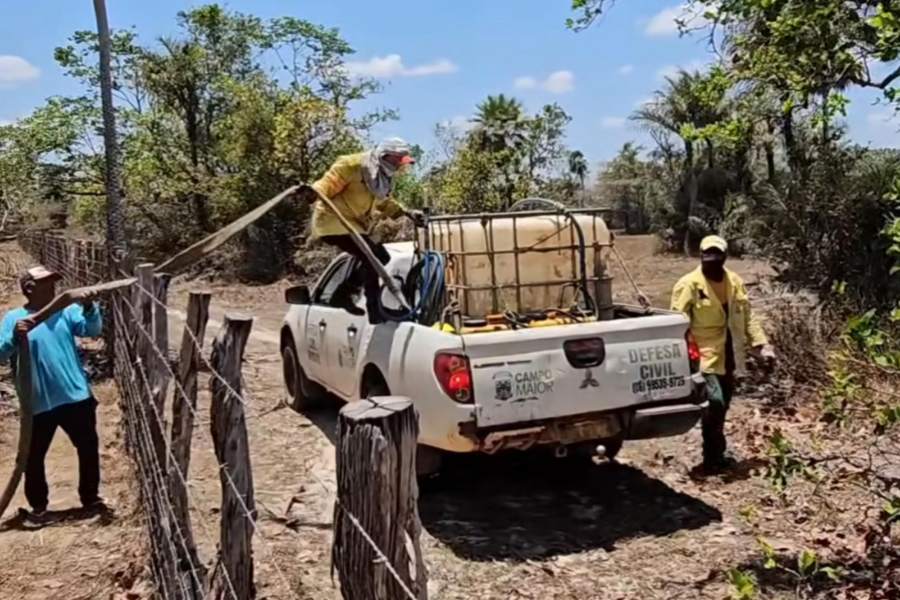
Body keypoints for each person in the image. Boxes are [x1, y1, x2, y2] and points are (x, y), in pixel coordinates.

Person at [0, 266, 104, 520]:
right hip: (36, 403)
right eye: (45, 283)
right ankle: (39, 507)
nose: (53, 287)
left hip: (75, 396)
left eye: (53, 282)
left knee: (88, 447)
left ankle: (90, 499)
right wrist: (14, 337)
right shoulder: (13, 319)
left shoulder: (66, 312)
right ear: (29, 289)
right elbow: (1, 353)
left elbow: (91, 330)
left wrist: (90, 307)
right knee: (32, 457)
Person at [670, 235, 775, 472]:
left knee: (723, 405)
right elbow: (676, 323)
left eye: (717, 255)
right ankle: (713, 454)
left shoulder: (735, 282)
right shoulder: (689, 285)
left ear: (724, 256)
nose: (712, 259)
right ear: (701, 256)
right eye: (708, 255)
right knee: (714, 402)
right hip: (703, 356)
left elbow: (748, 318)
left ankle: (714, 458)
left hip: (730, 356)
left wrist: (761, 345)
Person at [310, 138, 424, 323]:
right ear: (383, 156)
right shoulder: (352, 165)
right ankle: (371, 309)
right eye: (396, 161)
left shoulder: (380, 178)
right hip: (333, 221)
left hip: (354, 225)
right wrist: (312, 193)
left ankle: (344, 294)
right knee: (374, 257)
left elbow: (383, 202)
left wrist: (406, 212)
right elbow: (326, 184)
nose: (398, 166)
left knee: (378, 257)